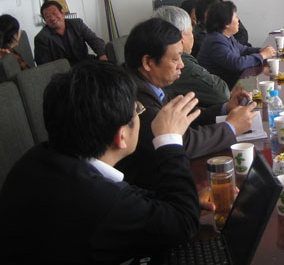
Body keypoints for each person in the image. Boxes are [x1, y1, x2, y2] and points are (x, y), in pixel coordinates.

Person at [0, 61, 203, 264]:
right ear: (121, 136)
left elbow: (127, 201)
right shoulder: (96, 198)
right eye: (137, 110)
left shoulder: (37, 157)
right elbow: (183, 224)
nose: (140, 115)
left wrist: (173, 200)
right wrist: (169, 140)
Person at [117, 17, 257, 187]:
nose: (182, 65)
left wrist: (225, 108)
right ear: (148, 62)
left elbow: (182, 118)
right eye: (175, 59)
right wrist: (231, 127)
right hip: (148, 186)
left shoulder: (148, 82)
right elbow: (179, 142)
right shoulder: (136, 97)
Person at [154, 5, 231, 107]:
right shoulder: (181, 62)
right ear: (181, 36)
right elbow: (221, 93)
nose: (193, 36)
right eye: (191, 32)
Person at [198, 0, 276, 89]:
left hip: (232, 83)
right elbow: (236, 64)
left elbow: (243, 50)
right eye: (235, 17)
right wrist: (262, 55)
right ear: (226, 23)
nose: (238, 20)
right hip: (221, 89)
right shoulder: (215, 42)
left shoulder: (226, 36)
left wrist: (261, 50)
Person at [34, 0, 107, 65]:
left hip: (85, 63)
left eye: (54, 13)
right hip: (63, 71)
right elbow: (44, 65)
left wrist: (102, 54)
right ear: (44, 20)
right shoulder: (41, 38)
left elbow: (94, 40)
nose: (52, 18)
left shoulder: (77, 24)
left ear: (62, 12)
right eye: (47, 16)